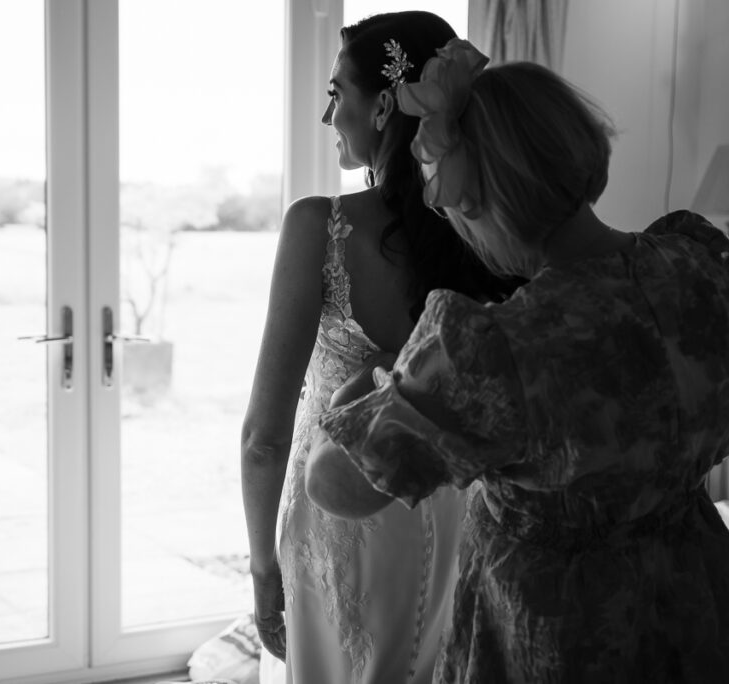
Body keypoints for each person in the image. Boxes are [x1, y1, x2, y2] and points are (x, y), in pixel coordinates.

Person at [307, 38, 729, 683]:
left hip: (562, 638)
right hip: (697, 601)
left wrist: (367, 385)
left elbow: (335, 486)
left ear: (474, 198)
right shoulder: (699, 265)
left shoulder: (500, 349)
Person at [240, 13, 519, 684]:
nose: (329, 113)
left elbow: (265, 438)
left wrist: (260, 568)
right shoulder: (493, 230)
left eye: (339, 93)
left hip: (340, 514)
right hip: (462, 514)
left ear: (386, 103)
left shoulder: (320, 227)